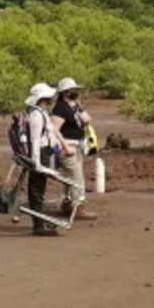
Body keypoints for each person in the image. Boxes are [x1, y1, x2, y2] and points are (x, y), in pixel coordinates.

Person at [50, 77, 96, 220]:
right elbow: (54, 130)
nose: (76, 93)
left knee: (72, 177)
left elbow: (87, 120)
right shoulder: (60, 108)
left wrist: (79, 106)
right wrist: (64, 146)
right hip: (67, 147)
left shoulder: (74, 106)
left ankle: (68, 205)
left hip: (77, 146)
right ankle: (78, 207)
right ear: (65, 92)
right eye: (73, 91)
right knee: (77, 178)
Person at [24, 82, 60, 237]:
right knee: (37, 190)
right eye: (49, 97)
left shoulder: (41, 112)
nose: (52, 99)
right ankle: (38, 226)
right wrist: (37, 163)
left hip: (45, 152)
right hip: (40, 153)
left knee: (39, 189)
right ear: (43, 98)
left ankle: (40, 222)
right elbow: (35, 140)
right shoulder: (36, 115)